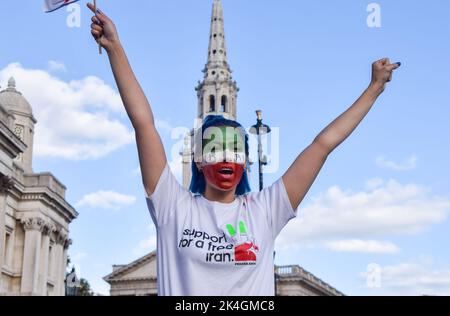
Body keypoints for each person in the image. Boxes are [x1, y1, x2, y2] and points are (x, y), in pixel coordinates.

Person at [87, 4, 401, 296]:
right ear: (197, 161)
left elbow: (322, 145)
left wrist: (373, 88)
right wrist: (115, 48)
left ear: (247, 161)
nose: (225, 156)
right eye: (214, 148)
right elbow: (144, 123)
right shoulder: (172, 206)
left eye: (234, 148)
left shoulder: (265, 211)